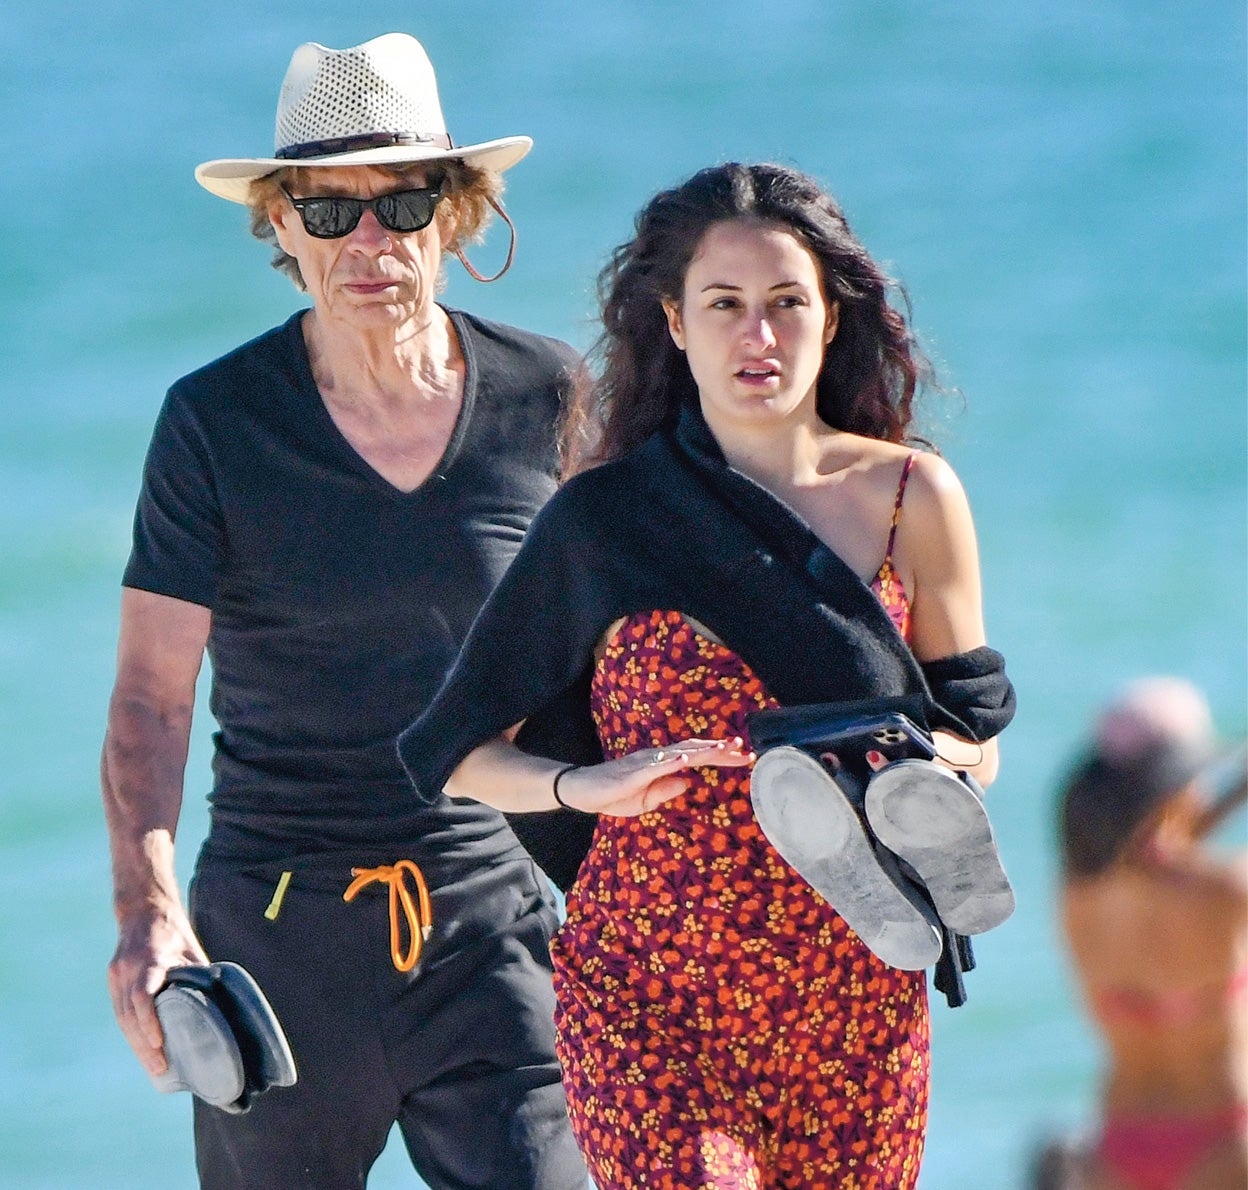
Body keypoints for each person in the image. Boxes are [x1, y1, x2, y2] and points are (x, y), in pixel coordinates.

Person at [399, 162, 1016, 1188]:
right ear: (677, 324)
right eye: (725, 304)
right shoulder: (604, 520)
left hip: (855, 985)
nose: (757, 335)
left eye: (787, 303)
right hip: (648, 989)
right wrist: (583, 785)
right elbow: (458, 751)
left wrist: (932, 766)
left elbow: (975, 731)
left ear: (831, 317)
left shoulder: (913, 497)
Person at [101, 33, 588, 1190]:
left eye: (402, 203)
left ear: (456, 214)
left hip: (492, 924)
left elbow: (620, 654)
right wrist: (147, 910)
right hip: (276, 940)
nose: (368, 240)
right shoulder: (215, 423)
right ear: (282, 226)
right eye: (329, 211)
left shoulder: (551, 397)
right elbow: (151, 697)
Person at [1034, 677, 1247, 1190]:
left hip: (1118, 1146)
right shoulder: (1226, 892)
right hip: (1226, 1138)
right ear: (1179, 790)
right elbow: (1178, 849)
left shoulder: (1077, 896)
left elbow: (1153, 851)